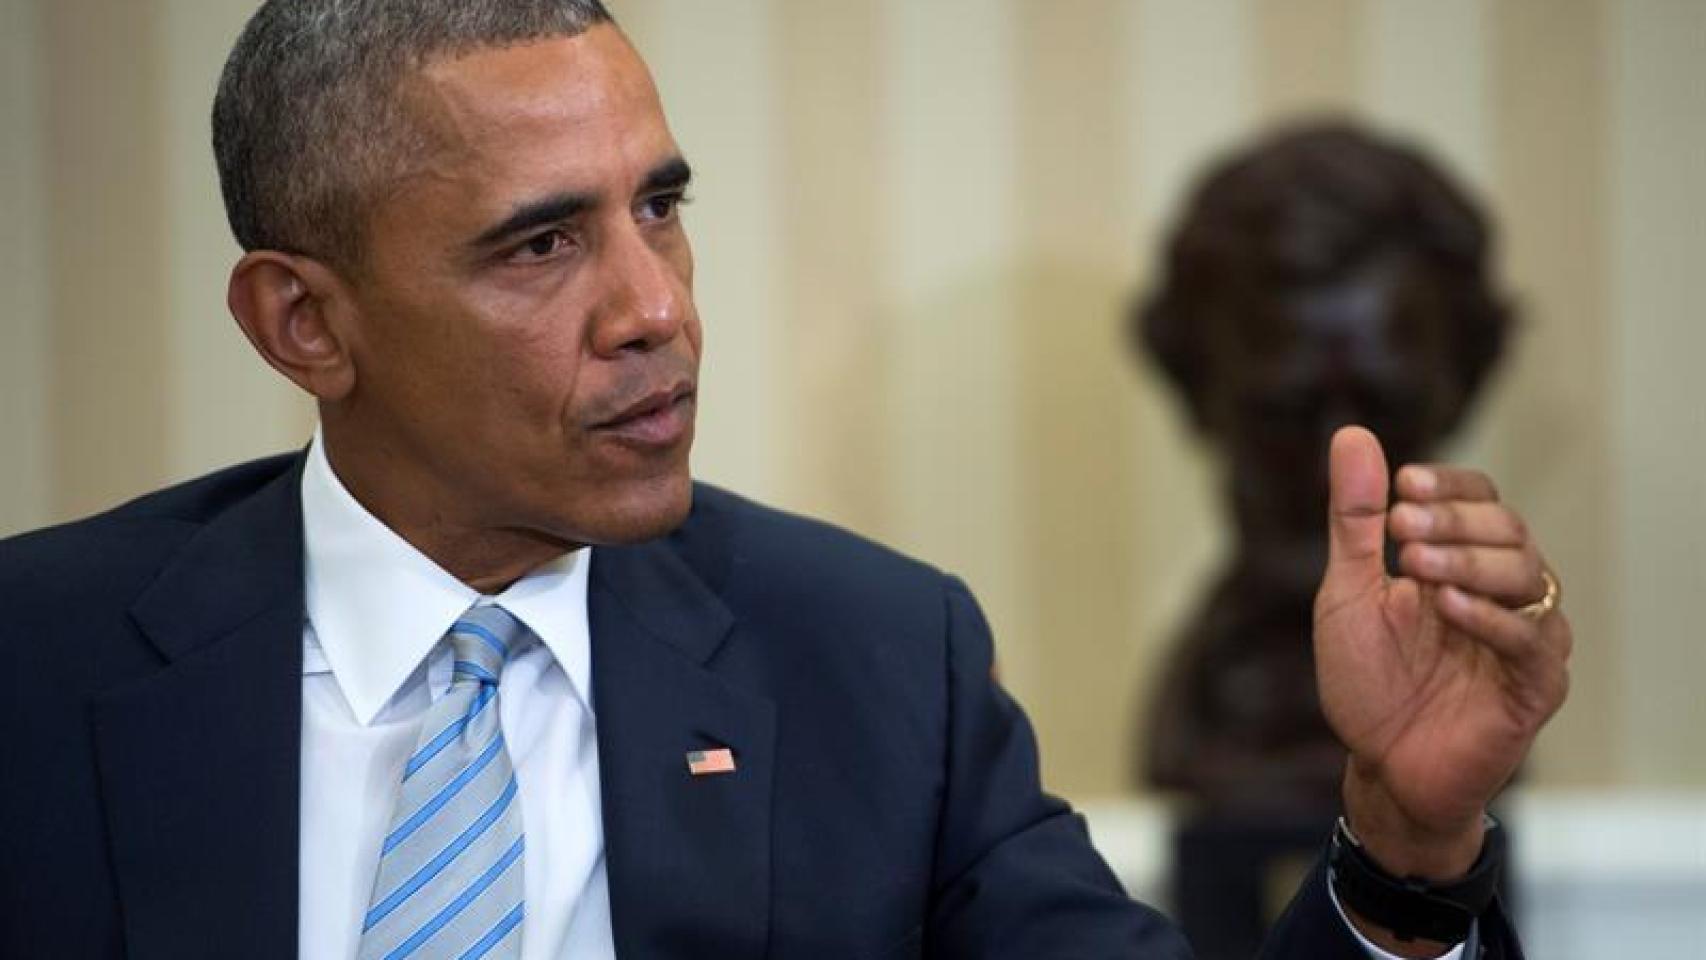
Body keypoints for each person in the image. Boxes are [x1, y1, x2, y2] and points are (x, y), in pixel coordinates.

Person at [0, 3, 1570, 960]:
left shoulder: (875, 664)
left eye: (660, 209)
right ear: (305, 322)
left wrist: (1400, 850)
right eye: (542, 243)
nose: (657, 307)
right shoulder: (37, 665)